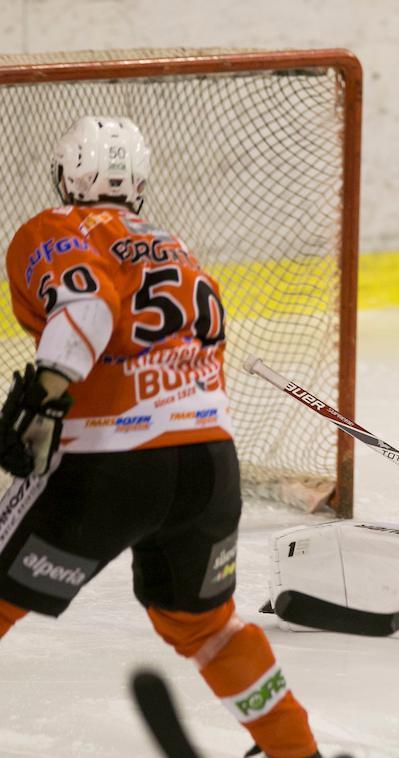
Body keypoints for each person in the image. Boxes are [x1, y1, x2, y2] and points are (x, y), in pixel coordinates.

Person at [0, 116, 321, 758]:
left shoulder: (54, 229)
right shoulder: (178, 249)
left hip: (109, 466)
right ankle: (294, 751)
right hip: (208, 466)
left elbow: (85, 308)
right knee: (204, 626)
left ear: (66, 176)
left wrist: (48, 390)